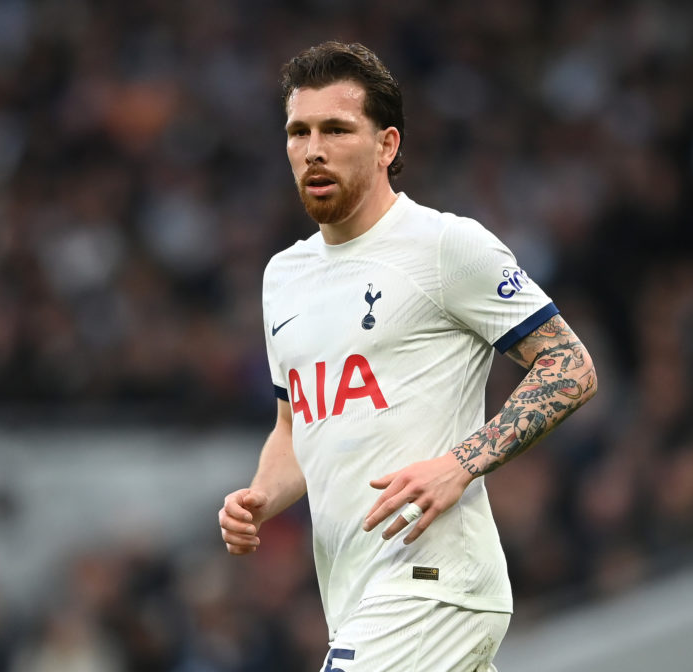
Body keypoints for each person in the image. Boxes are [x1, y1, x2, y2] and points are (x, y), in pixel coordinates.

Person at [218, 41, 597, 671]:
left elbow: (569, 365)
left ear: (387, 145)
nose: (313, 149)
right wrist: (258, 496)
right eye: (299, 131)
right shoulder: (283, 276)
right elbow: (296, 425)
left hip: (434, 583)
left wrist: (460, 463)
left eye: (336, 129)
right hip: (355, 594)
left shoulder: (446, 247)